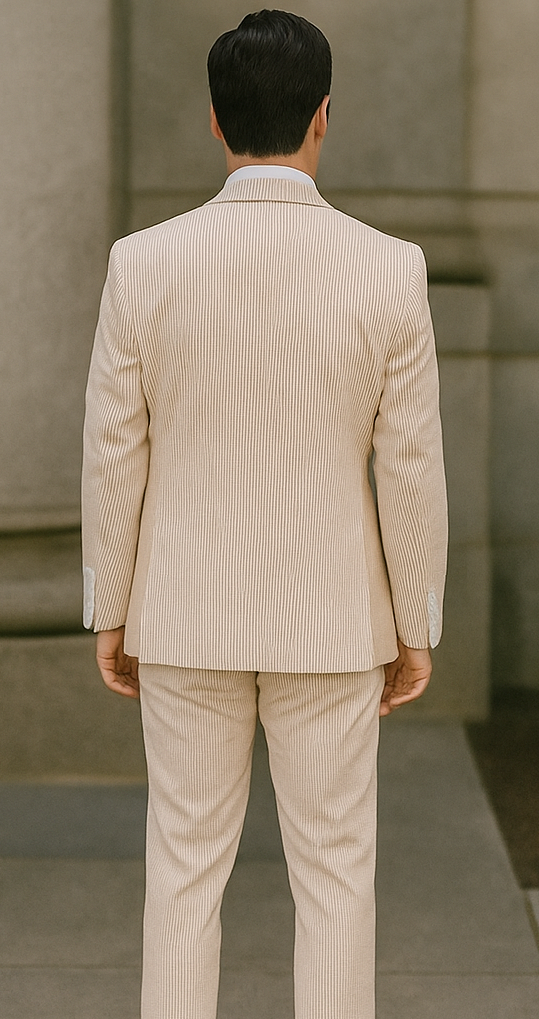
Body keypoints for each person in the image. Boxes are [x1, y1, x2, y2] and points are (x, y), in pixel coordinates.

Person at [81, 10, 448, 1019]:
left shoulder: (141, 263)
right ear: (323, 115)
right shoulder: (388, 268)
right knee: (333, 871)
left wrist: (106, 605)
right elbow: (409, 464)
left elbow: (114, 451)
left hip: (184, 607)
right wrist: (414, 622)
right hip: (331, 618)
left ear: (214, 120)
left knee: (183, 864)